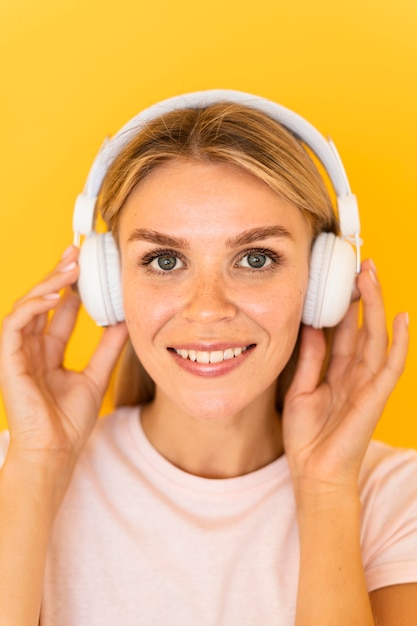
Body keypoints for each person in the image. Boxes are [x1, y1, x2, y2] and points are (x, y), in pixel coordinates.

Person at [0, 90, 416, 626]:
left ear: (323, 282)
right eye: (165, 260)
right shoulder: (15, 472)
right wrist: (35, 467)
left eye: (256, 257)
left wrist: (327, 491)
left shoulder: (395, 496)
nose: (208, 310)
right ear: (108, 282)